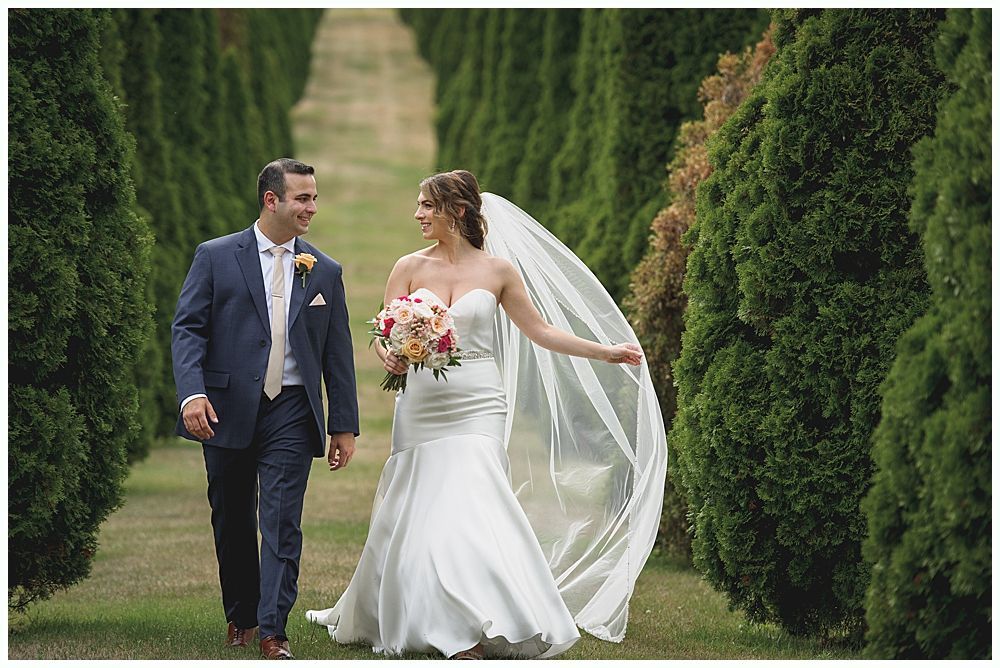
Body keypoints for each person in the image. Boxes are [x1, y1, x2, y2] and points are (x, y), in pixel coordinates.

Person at [306, 170, 667, 659]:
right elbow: (381, 330)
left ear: (457, 210)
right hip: (421, 404)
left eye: (427, 206)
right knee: (420, 503)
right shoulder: (407, 266)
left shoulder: (497, 271)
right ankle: (420, 609)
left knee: (472, 500)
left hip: (479, 401)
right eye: (417, 205)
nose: (417, 214)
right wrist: (386, 352)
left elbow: (539, 331)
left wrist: (604, 352)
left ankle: (477, 622)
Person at [172, 158, 359, 660]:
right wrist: (192, 393)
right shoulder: (215, 256)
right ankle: (243, 616)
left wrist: (342, 425)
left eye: (314, 197)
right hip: (224, 407)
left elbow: (337, 354)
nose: (312, 208)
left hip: (293, 410)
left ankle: (275, 630)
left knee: (281, 521)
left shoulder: (325, 270)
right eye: (302, 198)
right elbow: (188, 328)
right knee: (231, 516)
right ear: (271, 200)